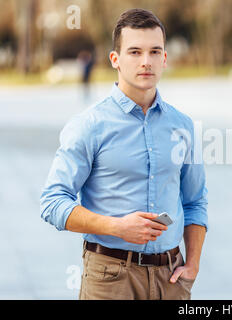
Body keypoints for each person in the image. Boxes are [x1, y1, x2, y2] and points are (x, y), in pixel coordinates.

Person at [40, 8, 208, 300]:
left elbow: (195, 200)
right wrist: (117, 227)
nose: (146, 61)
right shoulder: (89, 126)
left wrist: (192, 263)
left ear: (165, 58)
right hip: (110, 278)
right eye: (134, 52)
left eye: (155, 51)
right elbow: (52, 202)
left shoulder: (183, 126)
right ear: (115, 60)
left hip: (171, 278)